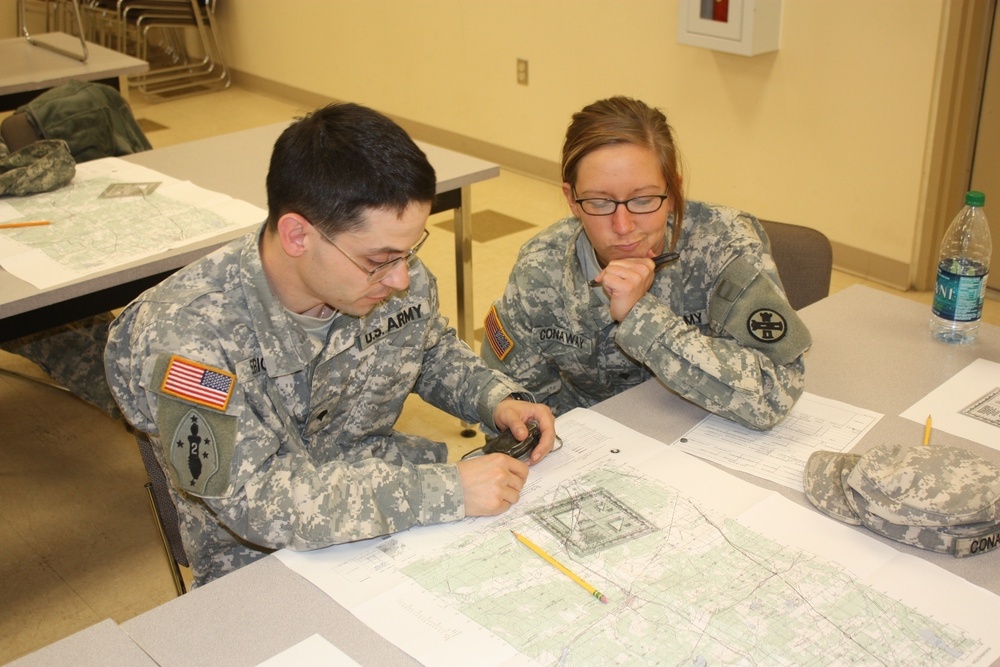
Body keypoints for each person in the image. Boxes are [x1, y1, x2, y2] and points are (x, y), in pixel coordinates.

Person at [104, 103, 556, 587]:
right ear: (298, 235)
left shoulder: (387, 279)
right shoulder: (185, 336)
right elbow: (251, 498)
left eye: (408, 251)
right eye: (379, 258)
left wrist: (496, 398)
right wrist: (444, 492)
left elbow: (428, 350)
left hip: (389, 518)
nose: (403, 276)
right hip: (261, 561)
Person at [481, 96, 810, 430]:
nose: (623, 226)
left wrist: (642, 317)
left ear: (673, 191)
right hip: (595, 448)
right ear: (571, 200)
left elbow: (775, 393)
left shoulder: (723, 245)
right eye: (599, 202)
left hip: (705, 430)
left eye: (643, 200)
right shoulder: (539, 269)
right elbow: (512, 406)